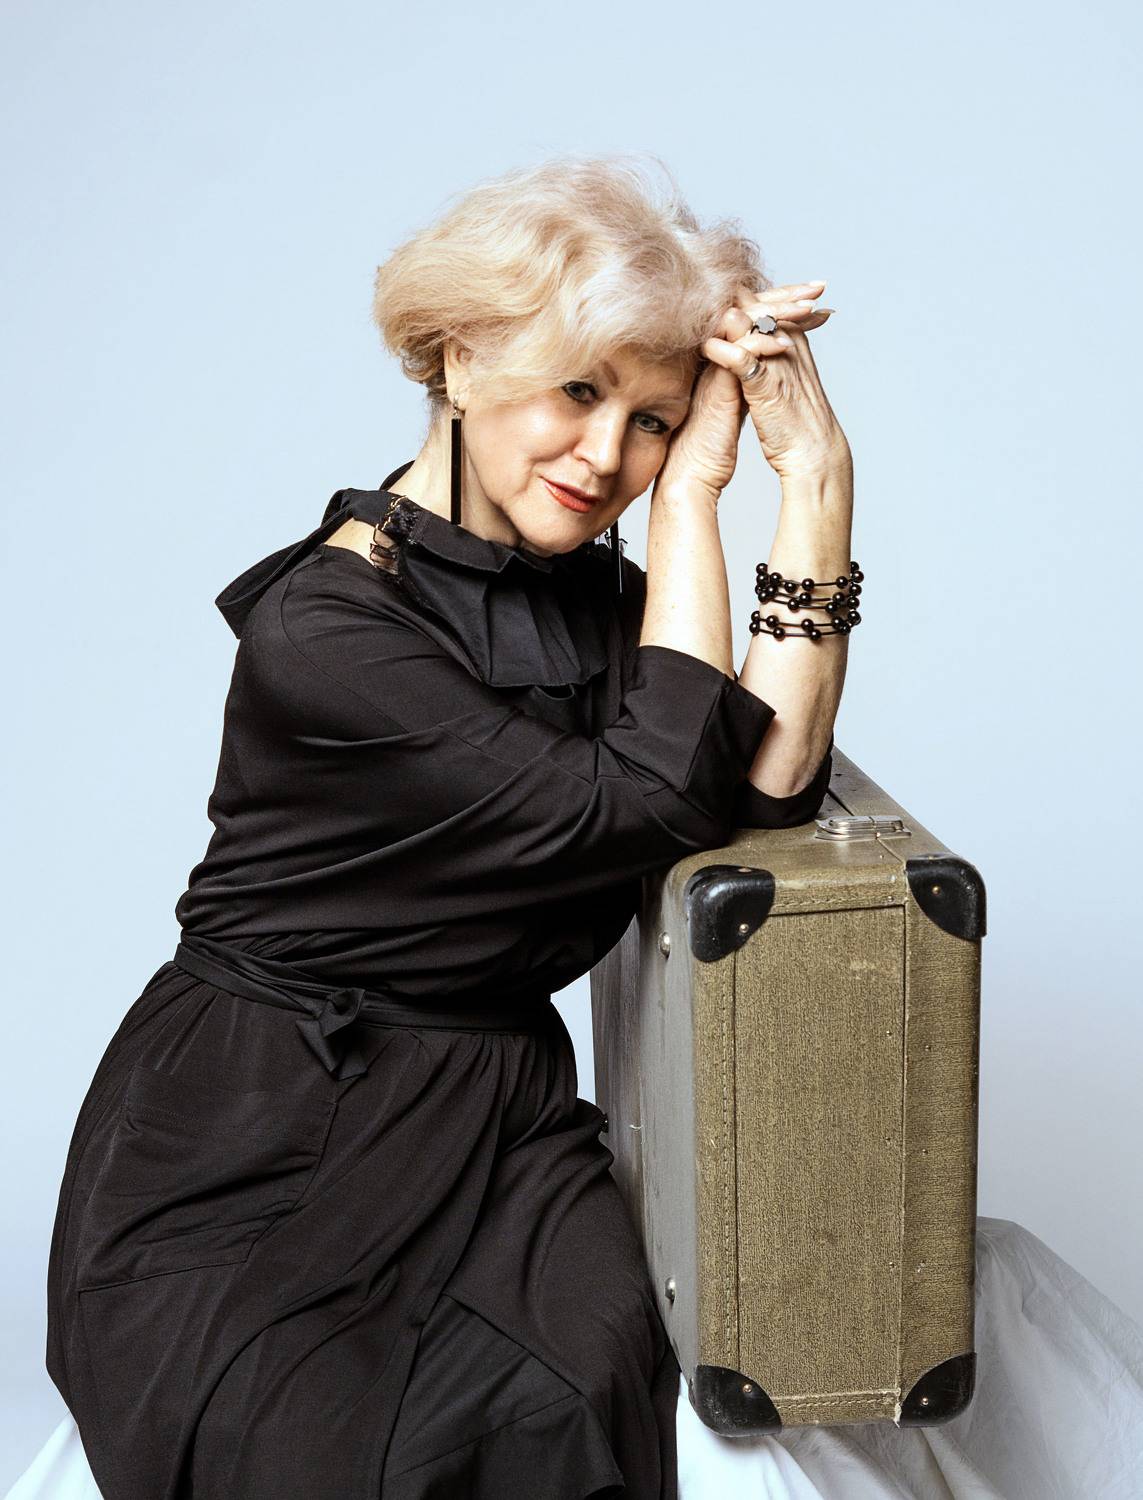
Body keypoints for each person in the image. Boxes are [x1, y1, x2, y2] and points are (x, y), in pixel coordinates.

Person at [42, 152, 851, 1499]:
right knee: (315, 1451)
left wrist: (812, 475)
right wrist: (697, 497)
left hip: (493, 1114)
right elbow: (652, 797)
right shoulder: (329, 630)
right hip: (257, 1136)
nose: (609, 457)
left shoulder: (580, 594)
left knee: (597, 1393)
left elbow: (765, 786)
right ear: (463, 362)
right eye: (579, 391)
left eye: (654, 420)